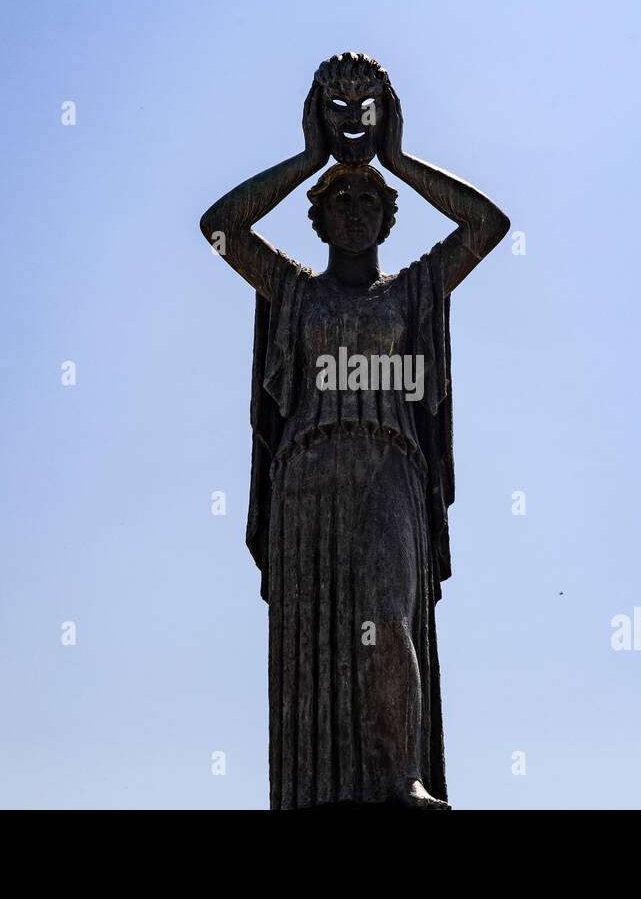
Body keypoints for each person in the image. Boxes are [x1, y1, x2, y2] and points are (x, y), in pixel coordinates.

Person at [199, 53, 509, 809]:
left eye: (369, 204)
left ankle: (401, 777)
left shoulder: (412, 290)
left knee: (383, 615)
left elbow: (487, 224)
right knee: (319, 649)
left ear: (386, 215)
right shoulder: (294, 290)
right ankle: (316, 792)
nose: (354, 213)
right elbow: (219, 228)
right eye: (338, 204)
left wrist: (396, 157)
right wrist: (311, 153)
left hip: (390, 473)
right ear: (319, 217)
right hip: (307, 484)